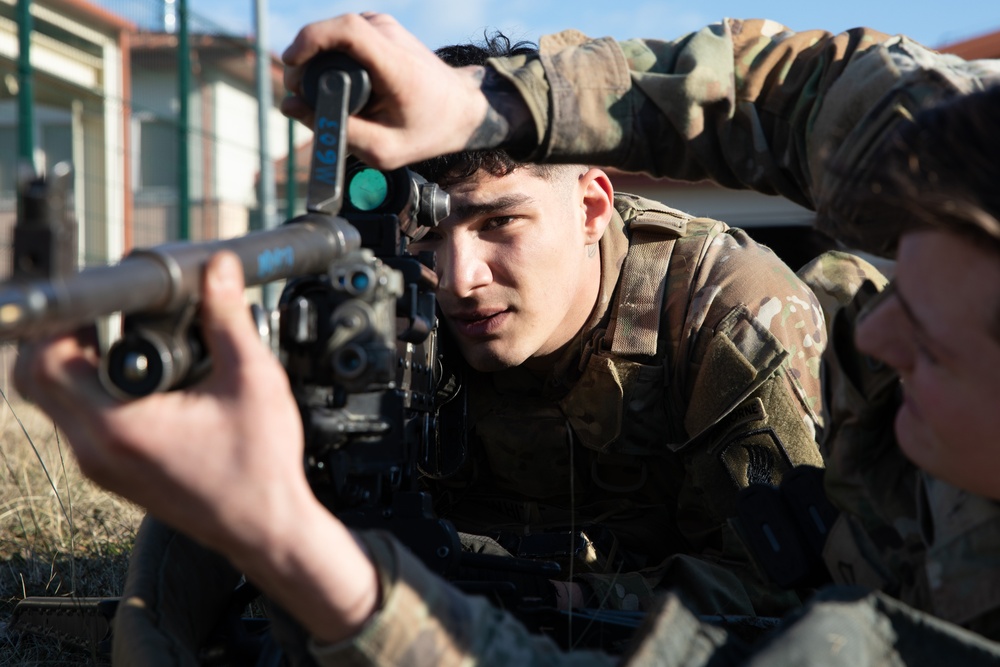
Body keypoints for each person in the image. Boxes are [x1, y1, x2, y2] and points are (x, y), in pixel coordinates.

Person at [13, 11, 1000, 667]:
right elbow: (811, 92)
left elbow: (762, 611)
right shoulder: (393, 295)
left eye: (498, 224)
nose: (456, 275)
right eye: (432, 232)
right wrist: (490, 97)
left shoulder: (727, 314)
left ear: (590, 204)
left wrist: (500, 583)